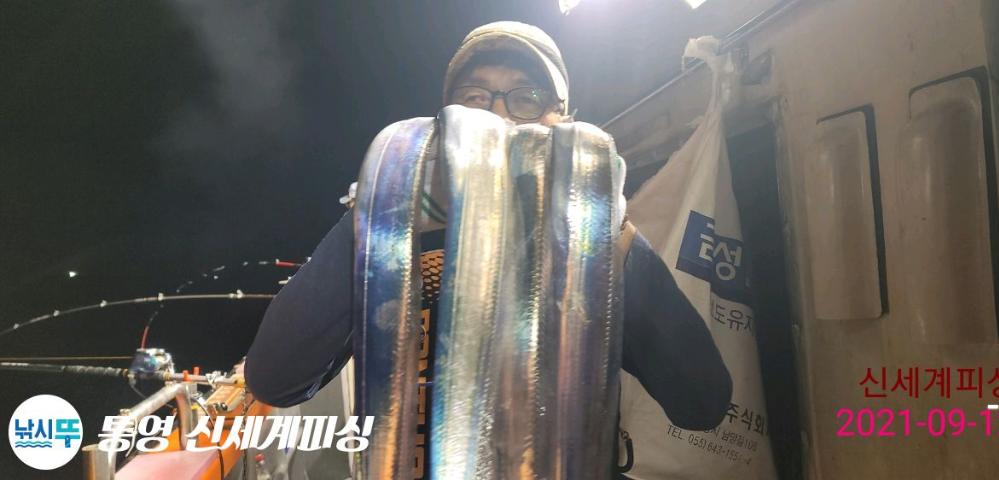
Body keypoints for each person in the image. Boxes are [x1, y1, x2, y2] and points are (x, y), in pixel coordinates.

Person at [245, 21, 731, 477]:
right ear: (444, 124)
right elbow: (276, 379)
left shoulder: (595, 248)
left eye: (526, 97)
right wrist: (378, 207)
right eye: (474, 99)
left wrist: (612, 234)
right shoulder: (394, 232)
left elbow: (702, 402)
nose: (498, 115)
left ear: (562, 119)